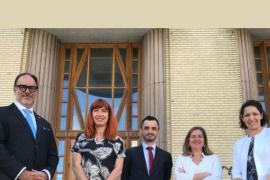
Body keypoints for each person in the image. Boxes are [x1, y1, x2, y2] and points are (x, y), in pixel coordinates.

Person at [0, 73, 59, 180]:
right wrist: (20, 172)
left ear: (36, 92)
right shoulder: (2, 114)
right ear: (15, 90)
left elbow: (53, 156)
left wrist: (46, 174)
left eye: (32, 88)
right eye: (22, 87)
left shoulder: (46, 124)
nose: (27, 91)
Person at [71, 98, 125, 180]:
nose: (99, 114)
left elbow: (118, 169)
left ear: (109, 115)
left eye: (103, 111)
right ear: (91, 114)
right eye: (96, 110)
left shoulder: (118, 141)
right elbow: (75, 165)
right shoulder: (81, 138)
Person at [121, 115, 173, 180]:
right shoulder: (130, 153)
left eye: (153, 128)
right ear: (141, 130)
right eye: (146, 128)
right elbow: (124, 177)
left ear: (158, 131)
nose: (150, 131)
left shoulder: (166, 156)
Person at [232, 99, 270, 180]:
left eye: (255, 114)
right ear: (242, 118)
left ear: (261, 115)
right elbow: (236, 172)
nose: (251, 118)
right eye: (247, 115)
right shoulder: (238, 144)